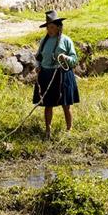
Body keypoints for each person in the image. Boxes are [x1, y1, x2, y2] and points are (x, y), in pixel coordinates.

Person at [32, 10, 80, 139]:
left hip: (62, 75)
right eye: (48, 27)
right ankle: (48, 130)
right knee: (48, 105)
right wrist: (38, 66)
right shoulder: (43, 41)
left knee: (66, 104)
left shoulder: (66, 40)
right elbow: (38, 57)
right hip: (46, 75)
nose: (50, 30)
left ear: (59, 27)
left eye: (52, 27)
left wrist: (65, 57)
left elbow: (74, 60)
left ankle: (69, 130)